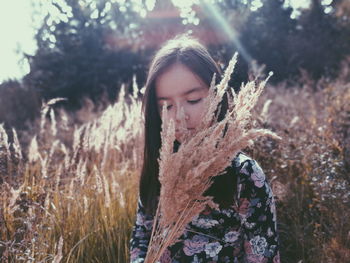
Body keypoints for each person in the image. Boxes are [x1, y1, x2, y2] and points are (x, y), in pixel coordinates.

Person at [129, 34, 280, 263]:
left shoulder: (245, 175)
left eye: (193, 100)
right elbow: (141, 240)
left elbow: (263, 256)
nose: (180, 116)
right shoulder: (160, 170)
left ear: (217, 98)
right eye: (166, 106)